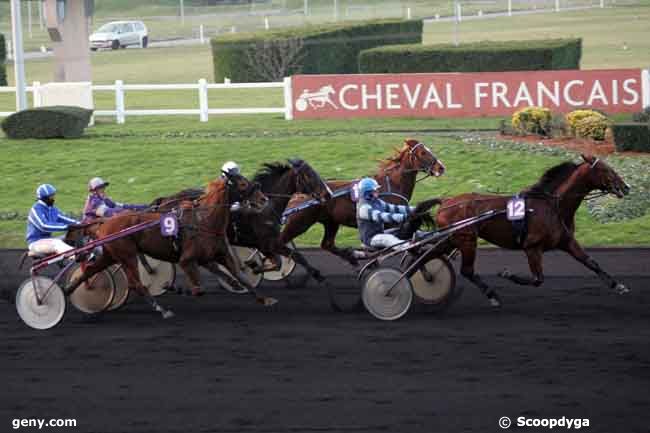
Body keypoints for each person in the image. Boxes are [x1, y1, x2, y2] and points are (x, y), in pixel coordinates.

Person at [356, 177, 415, 249]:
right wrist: (404, 217)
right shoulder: (364, 208)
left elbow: (394, 208)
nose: (378, 191)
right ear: (367, 193)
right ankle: (409, 247)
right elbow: (382, 217)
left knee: (403, 229)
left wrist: (415, 209)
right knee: (388, 239)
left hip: (380, 234)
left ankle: (427, 235)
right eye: (375, 190)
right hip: (371, 239)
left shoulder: (377, 201)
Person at [26, 184, 80, 256]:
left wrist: (81, 224)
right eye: (51, 196)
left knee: (71, 235)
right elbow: (44, 226)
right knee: (57, 243)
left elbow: (65, 219)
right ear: (44, 198)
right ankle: (77, 255)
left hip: (48, 240)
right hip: (36, 243)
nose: (54, 198)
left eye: (53, 195)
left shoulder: (52, 209)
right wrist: (66, 227)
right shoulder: (36, 209)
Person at [82, 177, 148, 222]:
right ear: (94, 191)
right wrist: (128, 212)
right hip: (91, 234)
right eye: (100, 187)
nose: (103, 189)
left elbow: (121, 205)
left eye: (103, 187)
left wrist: (143, 207)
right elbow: (108, 213)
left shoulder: (103, 198)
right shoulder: (94, 201)